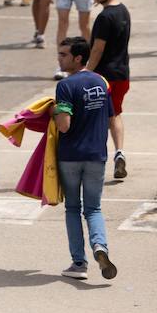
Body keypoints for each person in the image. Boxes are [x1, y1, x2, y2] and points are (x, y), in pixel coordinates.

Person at [54, 36, 118, 281]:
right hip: (96, 155)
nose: (59, 59)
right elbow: (111, 118)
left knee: (73, 208)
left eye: (63, 55)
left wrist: (54, 112)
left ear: (77, 58)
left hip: (70, 156)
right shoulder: (101, 82)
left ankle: (79, 263)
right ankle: (100, 247)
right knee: (93, 208)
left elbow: (64, 126)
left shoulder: (66, 85)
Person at [86, 0, 131, 180]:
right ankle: (119, 152)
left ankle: (97, 159)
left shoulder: (104, 17)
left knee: (98, 118)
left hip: (104, 76)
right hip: (122, 74)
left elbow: (97, 49)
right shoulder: (123, 11)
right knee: (115, 114)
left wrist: (87, 72)